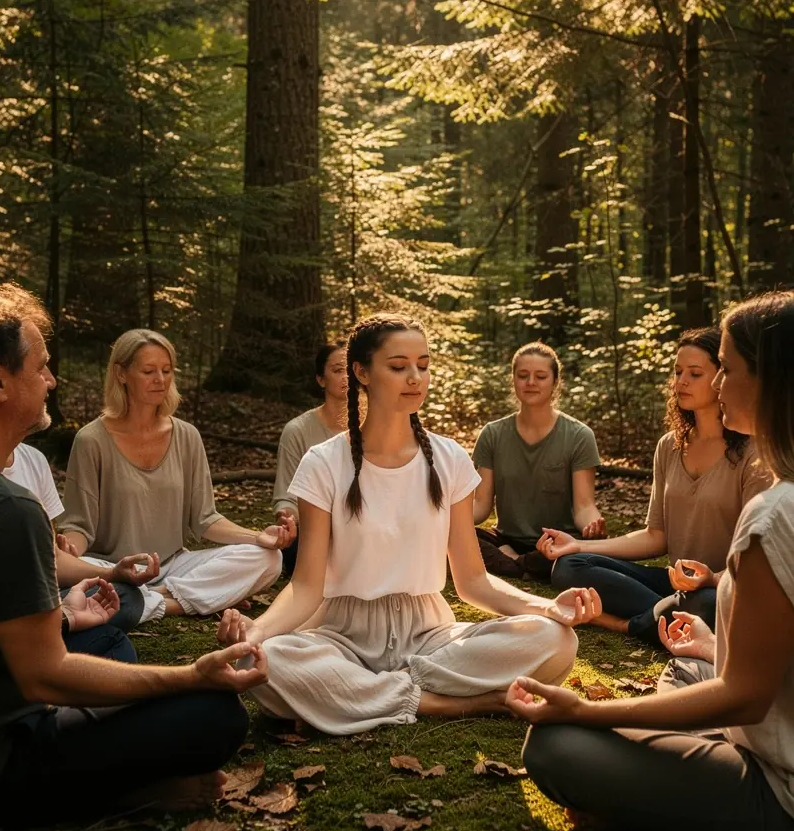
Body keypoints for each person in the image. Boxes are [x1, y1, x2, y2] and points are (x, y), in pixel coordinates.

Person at [217, 314, 601, 735]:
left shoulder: (450, 459)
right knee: (262, 662)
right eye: (399, 366)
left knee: (557, 640)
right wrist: (258, 631)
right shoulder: (324, 463)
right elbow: (307, 586)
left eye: (424, 364)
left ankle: (363, 697)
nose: (415, 377)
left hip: (430, 639)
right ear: (361, 372)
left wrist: (548, 607)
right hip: (343, 638)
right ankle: (456, 703)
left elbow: (474, 583)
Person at [513, 292, 794, 831]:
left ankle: (644, 810)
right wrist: (716, 647)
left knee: (555, 744)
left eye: (726, 369)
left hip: (779, 786)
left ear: (771, 382)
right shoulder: (683, 451)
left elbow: (744, 695)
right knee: (690, 660)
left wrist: (587, 711)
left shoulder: (774, 512)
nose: (713, 386)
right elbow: (654, 537)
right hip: (755, 712)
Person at [0, 282, 268, 831]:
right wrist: (190, 675)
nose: (51, 381)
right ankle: (124, 793)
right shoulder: (8, 507)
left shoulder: (182, 436)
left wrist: (64, 616)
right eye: (40, 368)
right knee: (216, 715)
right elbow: (45, 675)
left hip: (14, 674)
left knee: (108, 638)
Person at [538, 328, 770, 645]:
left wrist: (713, 579)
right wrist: (578, 545)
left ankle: (628, 625)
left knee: (705, 603)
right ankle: (670, 618)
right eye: (677, 372)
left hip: (723, 586)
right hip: (675, 583)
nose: (681, 382)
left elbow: (759, 560)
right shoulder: (669, 446)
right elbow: (655, 537)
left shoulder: (754, 453)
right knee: (568, 566)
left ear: (722, 380)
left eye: (695, 373)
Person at [60, 329, 295, 620]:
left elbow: (205, 519)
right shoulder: (91, 439)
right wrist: (69, 550)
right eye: (148, 371)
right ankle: (179, 601)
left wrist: (259, 537)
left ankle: (147, 601)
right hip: (112, 568)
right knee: (63, 570)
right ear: (121, 373)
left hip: (174, 564)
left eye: (167, 370)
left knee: (269, 559)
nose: (160, 379)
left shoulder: (187, 436)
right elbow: (80, 526)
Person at [472, 343, 605, 581]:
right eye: (523, 376)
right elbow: (481, 506)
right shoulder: (492, 434)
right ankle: (523, 565)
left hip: (557, 543)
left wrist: (592, 526)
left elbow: (584, 506)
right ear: (513, 380)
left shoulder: (579, 436)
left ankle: (513, 564)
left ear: (555, 382)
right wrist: (444, 519)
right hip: (506, 540)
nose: (530, 382)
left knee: (573, 558)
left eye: (540, 376)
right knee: (460, 538)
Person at [4, 441, 151, 638]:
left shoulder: (33, 459)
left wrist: (114, 573)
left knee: (124, 596)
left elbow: (51, 559)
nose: (46, 408)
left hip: (37, 594)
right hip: (3, 609)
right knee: (112, 640)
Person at [273, 341, 346, 574]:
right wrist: (288, 520)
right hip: (316, 534)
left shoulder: (378, 428)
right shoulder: (297, 430)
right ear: (321, 379)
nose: (347, 377)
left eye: (351, 370)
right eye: (337, 370)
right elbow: (287, 498)